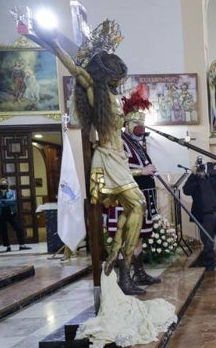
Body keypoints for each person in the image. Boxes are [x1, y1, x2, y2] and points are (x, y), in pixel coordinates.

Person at [39, 20, 147, 295]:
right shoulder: (95, 92)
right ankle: (120, 268)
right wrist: (55, 46)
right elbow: (76, 70)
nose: (120, 81)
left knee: (134, 208)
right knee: (137, 205)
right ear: (107, 76)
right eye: (116, 76)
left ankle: (118, 263)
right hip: (107, 159)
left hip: (118, 159)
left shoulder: (113, 97)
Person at [105, 83, 161, 293]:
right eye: (136, 122)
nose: (140, 126)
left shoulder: (136, 142)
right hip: (126, 201)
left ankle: (139, 273)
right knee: (129, 239)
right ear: (126, 124)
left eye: (142, 122)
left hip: (141, 197)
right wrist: (142, 172)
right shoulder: (120, 142)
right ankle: (124, 280)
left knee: (138, 238)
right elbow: (117, 169)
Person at [183, 159, 216, 271]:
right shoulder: (196, 179)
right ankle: (209, 268)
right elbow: (186, 190)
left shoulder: (215, 176)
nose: (203, 169)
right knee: (208, 245)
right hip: (205, 217)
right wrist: (194, 174)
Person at [0, 178, 31, 252]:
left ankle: (22, 245)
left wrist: (3, 201)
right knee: (3, 230)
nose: (3, 185)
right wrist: (6, 202)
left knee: (18, 228)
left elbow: (13, 201)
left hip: (11, 213)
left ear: (7, 185)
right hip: (1, 214)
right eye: (2, 184)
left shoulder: (12, 192)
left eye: (5, 184)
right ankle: (7, 246)